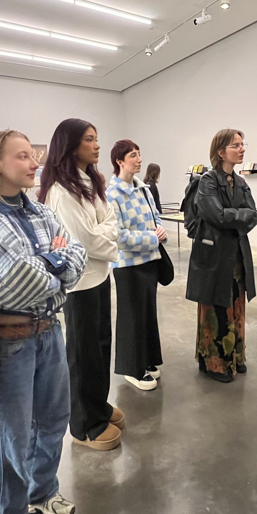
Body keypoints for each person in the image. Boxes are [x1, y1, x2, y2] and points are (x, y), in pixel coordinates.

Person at [0, 129, 86, 514]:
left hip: (49, 333)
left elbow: (76, 256)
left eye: (33, 155)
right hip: (7, 345)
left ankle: (42, 493)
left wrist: (50, 266)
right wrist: (53, 264)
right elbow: (20, 282)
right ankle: (3, 512)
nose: (34, 163)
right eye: (23, 156)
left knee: (53, 422)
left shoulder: (39, 210)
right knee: (8, 440)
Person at [39, 119, 124, 451]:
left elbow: (111, 221)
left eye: (97, 139)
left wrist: (103, 231)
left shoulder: (90, 180)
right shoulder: (60, 192)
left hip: (99, 275)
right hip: (79, 283)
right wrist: (103, 231)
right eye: (90, 139)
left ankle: (99, 405)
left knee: (101, 347)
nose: (97, 145)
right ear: (71, 145)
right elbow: (85, 239)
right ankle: (85, 424)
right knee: (83, 354)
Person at [186, 129, 257, 383]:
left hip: (236, 255)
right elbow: (214, 215)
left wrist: (231, 216)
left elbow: (253, 215)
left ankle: (235, 358)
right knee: (215, 308)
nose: (241, 149)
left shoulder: (240, 182)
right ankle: (214, 364)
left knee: (236, 306)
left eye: (242, 144)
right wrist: (236, 216)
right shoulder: (207, 181)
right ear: (220, 151)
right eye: (235, 145)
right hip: (214, 255)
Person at [106, 140, 167, 391]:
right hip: (128, 265)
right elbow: (118, 236)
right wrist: (153, 238)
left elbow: (156, 216)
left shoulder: (143, 189)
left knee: (147, 315)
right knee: (131, 318)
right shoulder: (112, 195)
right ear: (120, 161)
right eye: (133, 155)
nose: (139, 159)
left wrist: (160, 229)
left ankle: (148, 359)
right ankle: (132, 368)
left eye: (140, 154)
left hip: (150, 261)